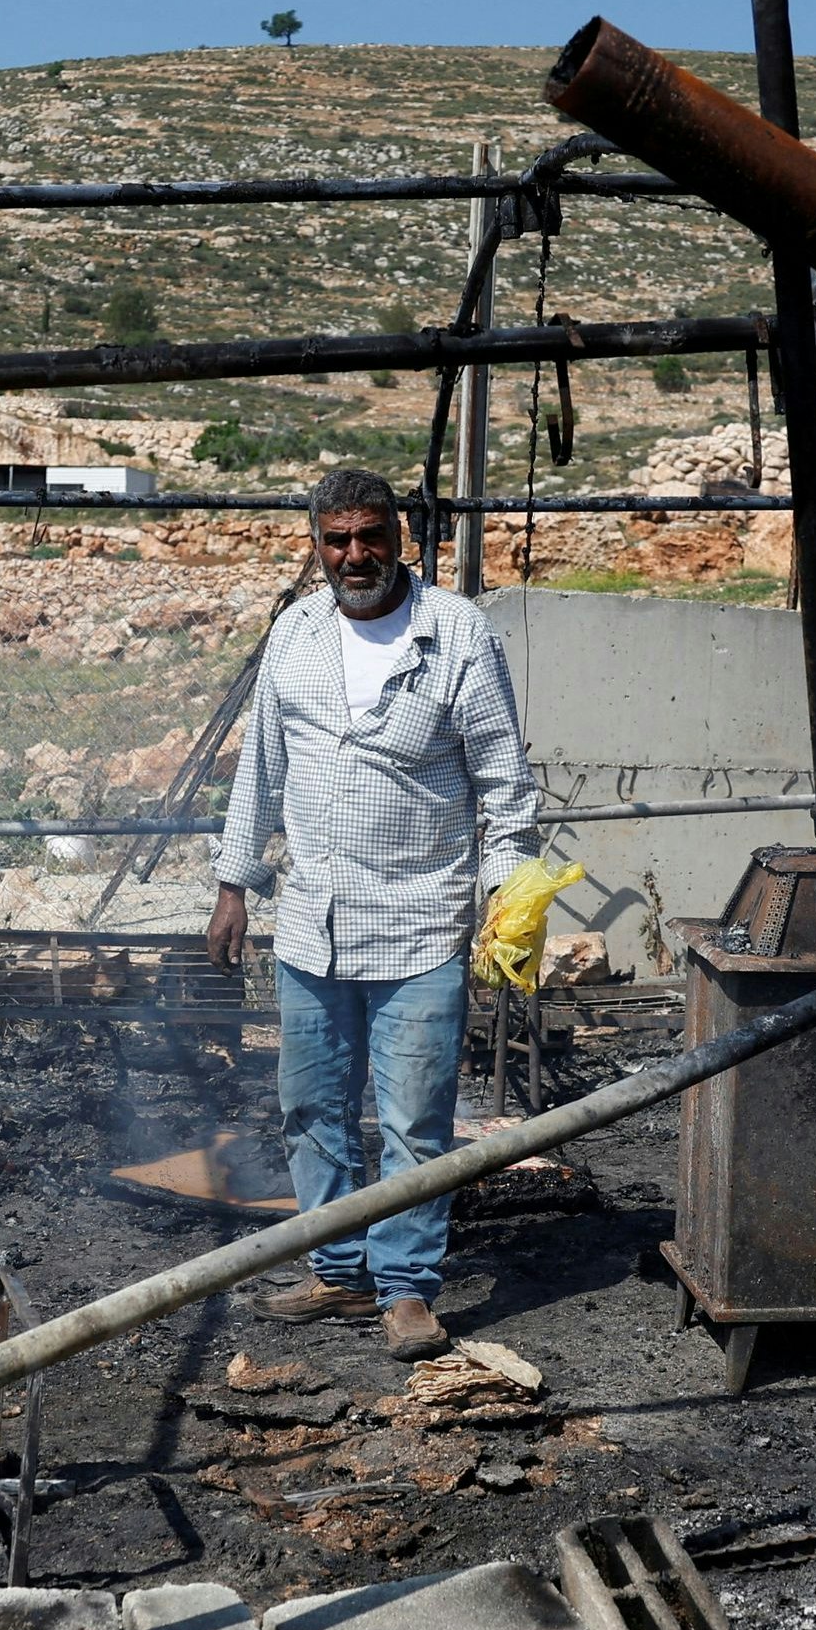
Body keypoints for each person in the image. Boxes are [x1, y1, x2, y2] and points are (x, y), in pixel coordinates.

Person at [209, 468, 538, 1363]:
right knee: (311, 1108)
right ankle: (340, 1270)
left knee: (414, 1121)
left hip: (422, 920)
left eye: (370, 537)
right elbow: (260, 771)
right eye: (336, 540)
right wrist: (233, 883)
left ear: (401, 537)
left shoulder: (457, 636)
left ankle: (405, 1287)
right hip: (313, 918)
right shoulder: (296, 636)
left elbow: (505, 789)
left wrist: (506, 904)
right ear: (316, 545)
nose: (355, 556)